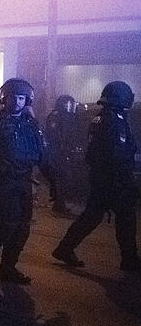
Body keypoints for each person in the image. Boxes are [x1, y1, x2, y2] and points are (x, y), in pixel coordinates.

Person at [0, 78, 60, 284]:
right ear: (5, 98)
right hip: (3, 179)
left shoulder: (30, 124)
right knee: (8, 221)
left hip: (24, 180)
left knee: (22, 226)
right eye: (13, 97)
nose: (17, 102)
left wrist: (53, 182)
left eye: (21, 98)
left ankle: (8, 267)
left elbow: (41, 154)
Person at [52, 81, 138, 272]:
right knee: (125, 219)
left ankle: (64, 248)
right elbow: (116, 152)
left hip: (103, 178)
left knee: (91, 217)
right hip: (113, 179)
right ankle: (129, 260)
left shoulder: (105, 117)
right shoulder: (112, 119)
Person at [44, 95, 78, 214]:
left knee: (64, 178)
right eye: (68, 105)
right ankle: (59, 203)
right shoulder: (55, 116)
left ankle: (60, 202)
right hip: (56, 152)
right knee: (59, 177)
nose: (70, 108)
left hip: (64, 151)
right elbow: (54, 134)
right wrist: (62, 145)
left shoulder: (68, 117)